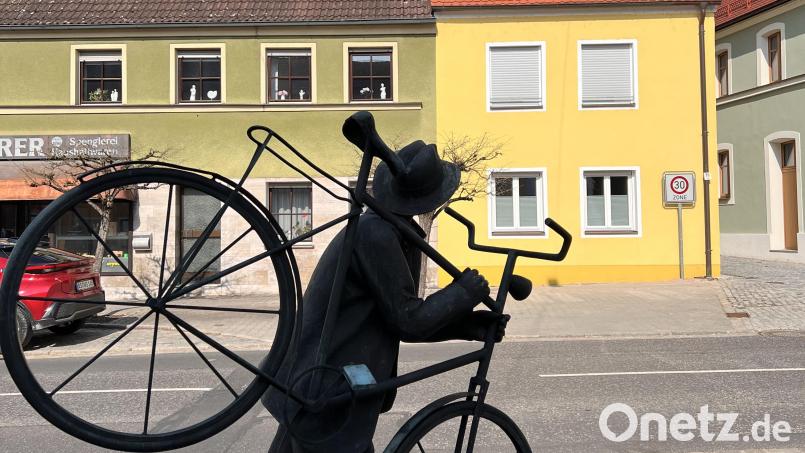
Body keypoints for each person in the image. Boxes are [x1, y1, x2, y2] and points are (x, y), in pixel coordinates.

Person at [264, 137, 508, 453]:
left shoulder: (388, 230)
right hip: (326, 393)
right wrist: (464, 293)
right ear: (429, 198)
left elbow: (394, 318)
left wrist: (468, 326)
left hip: (319, 390)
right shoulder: (376, 234)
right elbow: (409, 321)